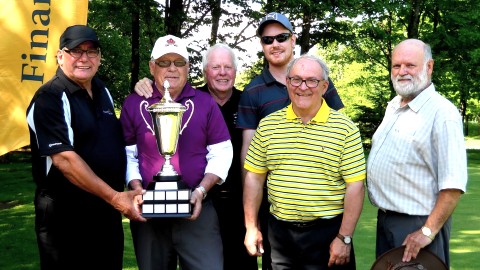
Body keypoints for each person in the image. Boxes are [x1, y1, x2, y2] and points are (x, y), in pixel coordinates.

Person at [26, 25, 146, 270]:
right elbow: (65, 161)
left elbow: (114, 140)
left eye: (92, 52)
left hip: (105, 213)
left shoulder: (101, 90)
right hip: (66, 216)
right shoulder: (50, 96)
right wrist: (116, 198)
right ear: (60, 56)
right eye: (76, 51)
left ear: (100, 58)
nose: (84, 58)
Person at [133, 43, 258, 270]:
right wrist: (147, 84)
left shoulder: (247, 101)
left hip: (235, 203)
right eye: (215, 67)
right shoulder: (183, 98)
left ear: (236, 71)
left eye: (228, 67)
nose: (222, 72)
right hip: (194, 200)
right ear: (203, 71)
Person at [237, 12, 345, 269]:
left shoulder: (320, 81)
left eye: (281, 37)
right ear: (262, 45)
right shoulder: (253, 91)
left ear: (293, 39)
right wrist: (253, 220)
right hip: (276, 211)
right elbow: (249, 159)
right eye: (267, 39)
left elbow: (341, 132)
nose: (275, 44)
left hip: (324, 212)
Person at [243, 54, 366, 269]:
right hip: (280, 238)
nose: (303, 87)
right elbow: (254, 178)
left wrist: (344, 237)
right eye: (296, 79)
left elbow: (355, 186)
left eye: (312, 80)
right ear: (287, 83)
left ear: (325, 86)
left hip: (329, 236)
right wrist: (251, 228)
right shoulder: (268, 126)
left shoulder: (345, 129)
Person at [366, 38, 468, 267]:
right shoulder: (394, 106)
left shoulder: (443, 114)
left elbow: (453, 186)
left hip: (418, 225)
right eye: (396, 65)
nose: (402, 71)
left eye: (410, 65)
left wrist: (427, 231)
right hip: (387, 219)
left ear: (429, 67)